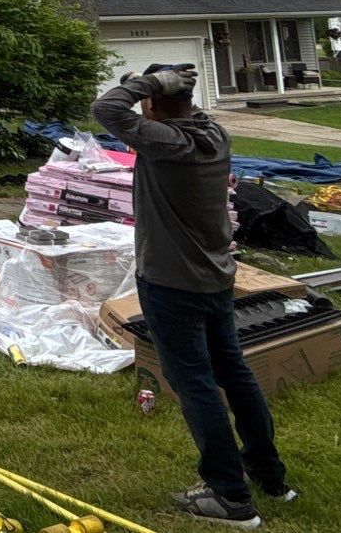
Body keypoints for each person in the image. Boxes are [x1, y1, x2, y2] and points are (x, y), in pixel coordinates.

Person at [93, 63, 294, 528]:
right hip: (215, 278)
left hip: (171, 283)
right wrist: (170, 88)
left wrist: (147, 85)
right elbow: (173, 109)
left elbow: (105, 107)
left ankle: (229, 496)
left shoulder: (167, 144)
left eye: (146, 97)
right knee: (233, 372)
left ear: (153, 102)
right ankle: (269, 476)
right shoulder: (213, 134)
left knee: (195, 384)